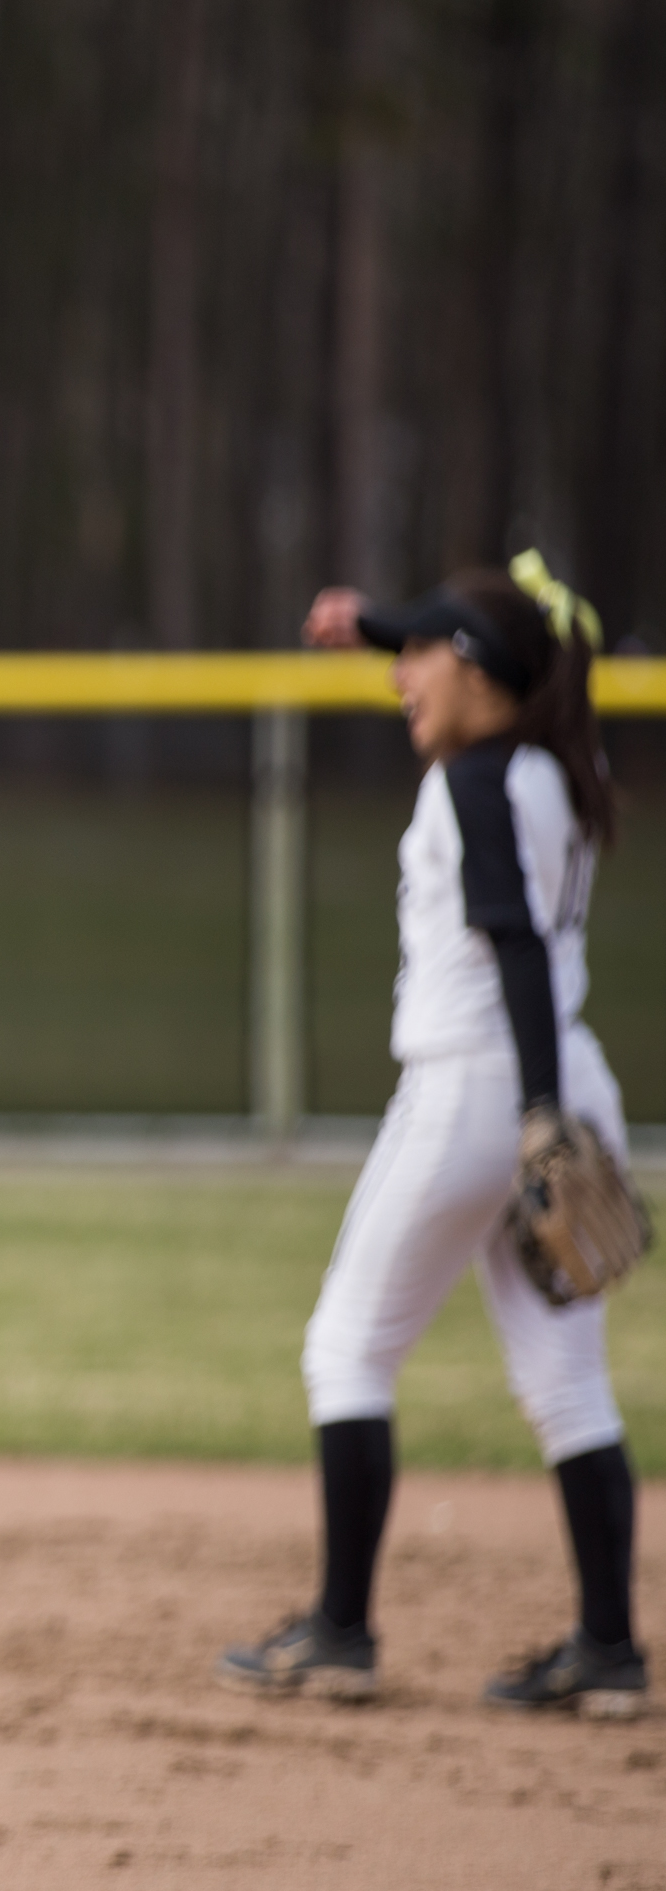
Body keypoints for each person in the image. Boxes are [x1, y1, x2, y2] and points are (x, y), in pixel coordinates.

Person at [218, 557, 643, 1718]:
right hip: (562, 1073)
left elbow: (506, 940)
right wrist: (376, 625)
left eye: (422, 655)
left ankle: (342, 1632)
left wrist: (533, 1115)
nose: (402, 674)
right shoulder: (570, 766)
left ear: (478, 669)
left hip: (477, 1090)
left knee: (347, 1351)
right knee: (568, 1387)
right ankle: (609, 1648)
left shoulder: (472, 784)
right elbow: (502, 645)